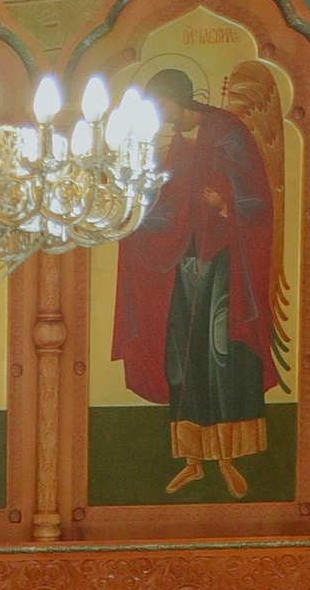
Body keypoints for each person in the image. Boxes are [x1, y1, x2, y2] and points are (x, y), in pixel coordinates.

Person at [109, 66, 276, 495]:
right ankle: (192, 459)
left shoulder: (227, 132)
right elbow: (167, 202)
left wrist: (228, 203)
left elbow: (259, 198)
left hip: (224, 266)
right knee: (181, 355)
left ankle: (227, 458)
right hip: (185, 267)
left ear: (179, 99)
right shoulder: (180, 147)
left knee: (220, 353)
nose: (161, 116)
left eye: (163, 106)